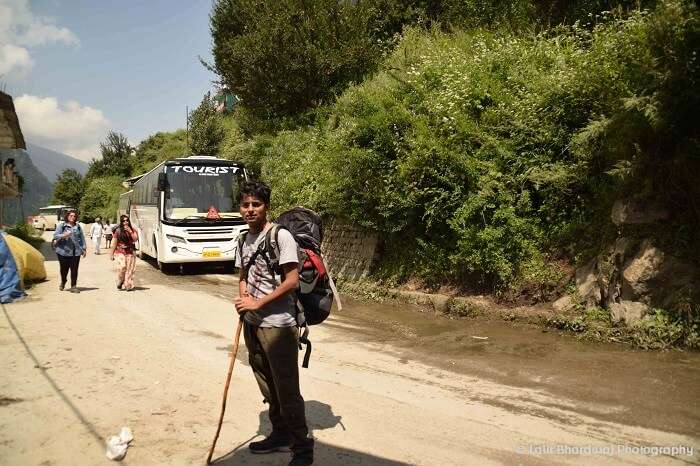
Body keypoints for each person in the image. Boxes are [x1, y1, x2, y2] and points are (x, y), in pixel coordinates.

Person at [234, 181, 314, 466]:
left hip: (279, 325)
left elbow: (292, 280)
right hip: (253, 324)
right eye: (245, 205)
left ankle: (302, 449)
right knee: (267, 384)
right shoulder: (243, 239)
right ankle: (280, 433)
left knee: (287, 388)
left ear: (266, 206)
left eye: (256, 204)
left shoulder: (281, 236)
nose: (250, 210)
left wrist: (257, 302)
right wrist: (243, 294)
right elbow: (243, 273)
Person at [52, 210, 86, 293]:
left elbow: (82, 238)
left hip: (76, 252)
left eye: (74, 216)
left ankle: (73, 286)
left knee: (74, 270)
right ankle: (63, 281)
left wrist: (84, 249)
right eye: (71, 215)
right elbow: (55, 236)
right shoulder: (62, 226)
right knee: (64, 270)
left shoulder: (78, 226)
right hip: (63, 252)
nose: (72, 217)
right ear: (67, 216)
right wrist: (64, 235)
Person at [110, 215, 138, 291]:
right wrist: (111, 254)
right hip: (120, 252)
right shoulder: (118, 231)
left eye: (127, 220)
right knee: (122, 267)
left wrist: (130, 231)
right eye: (123, 221)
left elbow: (135, 239)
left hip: (130, 252)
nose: (125, 222)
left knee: (129, 269)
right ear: (121, 222)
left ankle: (127, 284)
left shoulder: (132, 230)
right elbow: (115, 243)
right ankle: (120, 280)